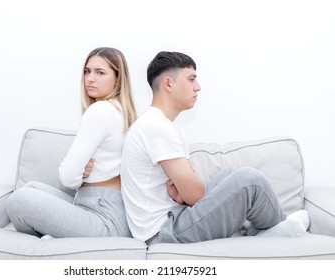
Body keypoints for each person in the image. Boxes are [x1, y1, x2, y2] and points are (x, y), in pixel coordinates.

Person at [120, 51, 310, 244]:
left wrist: (183, 194)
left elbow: (187, 192)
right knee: (250, 180)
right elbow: (195, 195)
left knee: (229, 173)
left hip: (175, 216)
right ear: (168, 84)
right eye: (191, 79)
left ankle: (265, 230)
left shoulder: (162, 125)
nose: (198, 87)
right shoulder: (155, 127)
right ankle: (280, 228)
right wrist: (186, 194)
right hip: (164, 232)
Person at [7, 47, 137, 238]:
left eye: (100, 72)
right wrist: (81, 173)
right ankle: (53, 233)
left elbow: (67, 178)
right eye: (87, 71)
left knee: (19, 200)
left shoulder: (99, 111)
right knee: (31, 187)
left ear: (118, 79)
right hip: (107, 207)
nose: (90, 78)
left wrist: (78, 174)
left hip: (104, 219)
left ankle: (48, 238)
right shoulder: (120, 111)